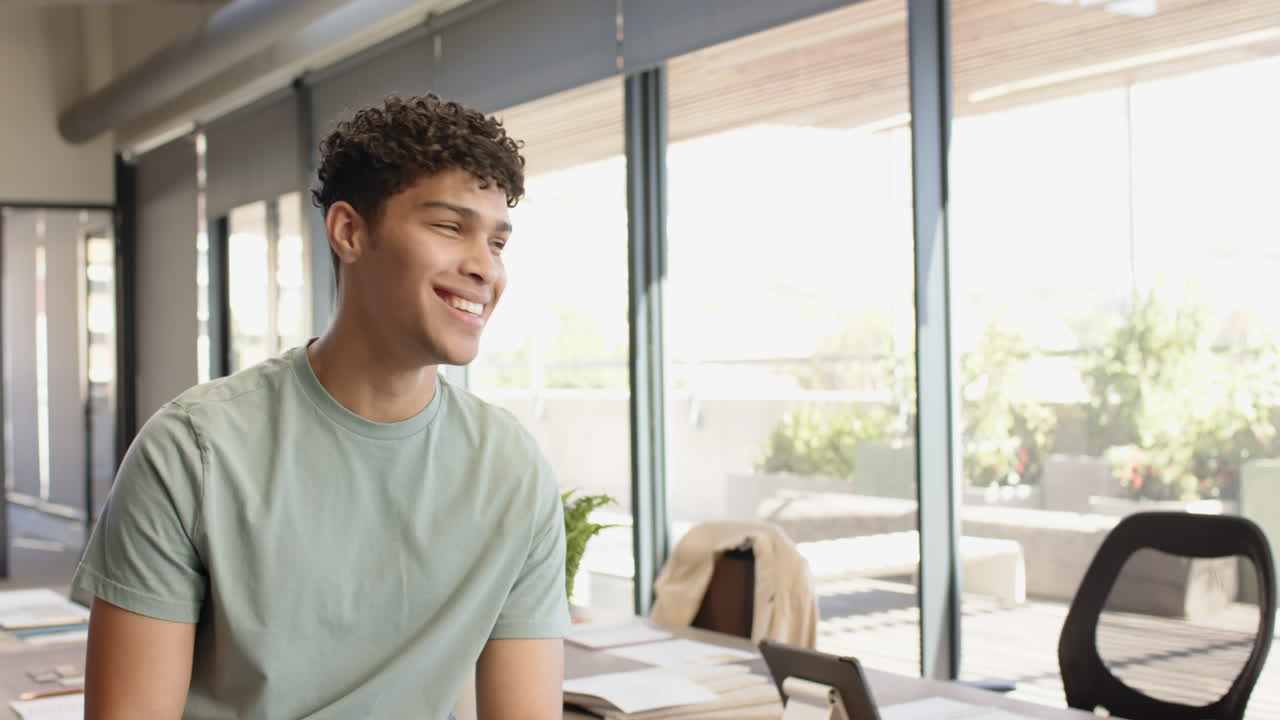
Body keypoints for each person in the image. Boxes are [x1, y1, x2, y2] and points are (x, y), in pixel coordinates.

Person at [73, 94, 569, 720]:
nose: (483, 268)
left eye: (496, 242)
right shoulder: (193, 450)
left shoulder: (512, 469)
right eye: (449, 227)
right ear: (349, 231)